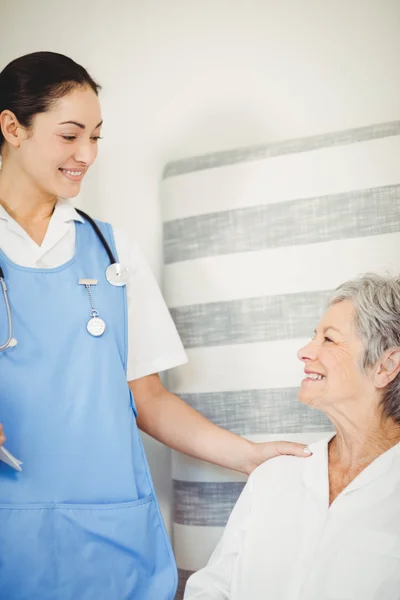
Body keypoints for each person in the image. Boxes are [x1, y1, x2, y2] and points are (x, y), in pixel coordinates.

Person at [0, 51, 310, 600]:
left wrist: (249, 456)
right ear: (12, 127)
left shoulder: (112, 252)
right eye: (70, 136)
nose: (86, 155)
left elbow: (148, 399)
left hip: (110, 533)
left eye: (96, 137)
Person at [184, 274, 400, 600]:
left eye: (328, 339)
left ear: (386, 366)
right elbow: (213, 588)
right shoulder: (274, 475)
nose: (304, 351)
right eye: (314, 336)